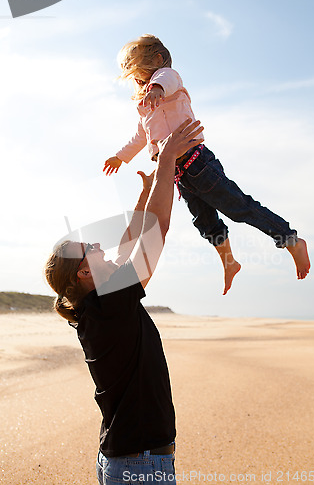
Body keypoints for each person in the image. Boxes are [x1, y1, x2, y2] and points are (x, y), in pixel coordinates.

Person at [45, 120, 204, 485]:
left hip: (124, 458)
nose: (100, 245)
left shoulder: (97, 306)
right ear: (84, 274)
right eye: (90, 248)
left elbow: (130, 243)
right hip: (140, 464)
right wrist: (166, 162)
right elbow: (156, 231)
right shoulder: (109, 305)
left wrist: (144, 194)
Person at [103, 34, 310, 294]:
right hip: (178, 174)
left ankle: (291, 240)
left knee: (239, 207)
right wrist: (121, 156)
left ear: (157, 61)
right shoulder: (145, 106)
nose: (139, 81)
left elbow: (164, 80)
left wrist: (156, 88)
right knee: (205, 222)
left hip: (198, 162)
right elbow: (140, 136)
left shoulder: (169, 80)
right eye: (135, 78)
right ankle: (229, 262)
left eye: (140, 73)